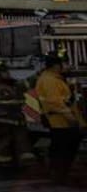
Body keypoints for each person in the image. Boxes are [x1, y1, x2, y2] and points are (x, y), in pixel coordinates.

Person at [35, 51, 84, 184]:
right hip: (60, 121)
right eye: (66, 63)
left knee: (63, 147)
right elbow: (56, 103)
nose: (68, 66)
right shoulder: (49, 81)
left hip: (62, 120)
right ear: (56, 65)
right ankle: (59, 174)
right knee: (63, 148)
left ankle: (60, 173)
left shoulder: (55, 78)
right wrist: (72, 119)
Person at [0, 60, 34, 167]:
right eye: (5, 72)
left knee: (23, 143)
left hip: (18, 120)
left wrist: (38, 75)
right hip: (1, 122)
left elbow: (26, 84)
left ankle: (26, 165)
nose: (8, 73)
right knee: (3, 145)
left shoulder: (12, 84)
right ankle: (4, 165)